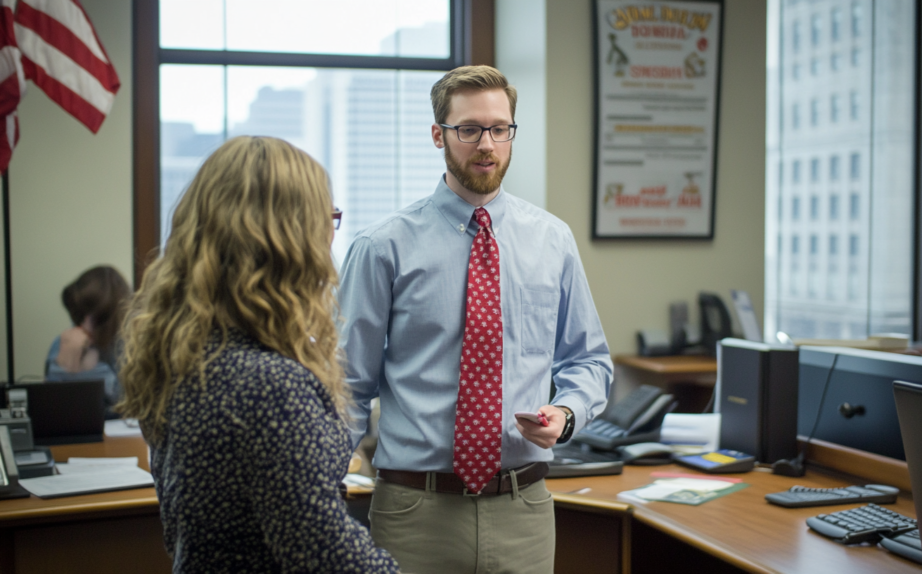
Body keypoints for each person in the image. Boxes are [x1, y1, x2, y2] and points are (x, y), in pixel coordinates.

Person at [339, 65, 613, 573]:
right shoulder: (382, 247)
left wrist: (567, 413)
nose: (486, 144)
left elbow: (589, 360)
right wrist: (317, 482)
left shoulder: (553, 241)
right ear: (438, 134)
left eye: (499, 129)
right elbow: (348, 385)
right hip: (414, 510)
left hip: (524, 508)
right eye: (469, 129)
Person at [118, 136, 400, 573]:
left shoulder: (185, 354)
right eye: (328, 217)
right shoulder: (270, 384)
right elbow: (325, 555)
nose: (330, 235)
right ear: (288, 238)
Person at [45, 265, 131, 416]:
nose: (85, 326)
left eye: (96, 318)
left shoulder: (130, 344)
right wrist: (65, 365)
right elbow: (48, 402)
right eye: (81, 314)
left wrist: (91, 369)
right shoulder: (64, 342)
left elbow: (129, 402)